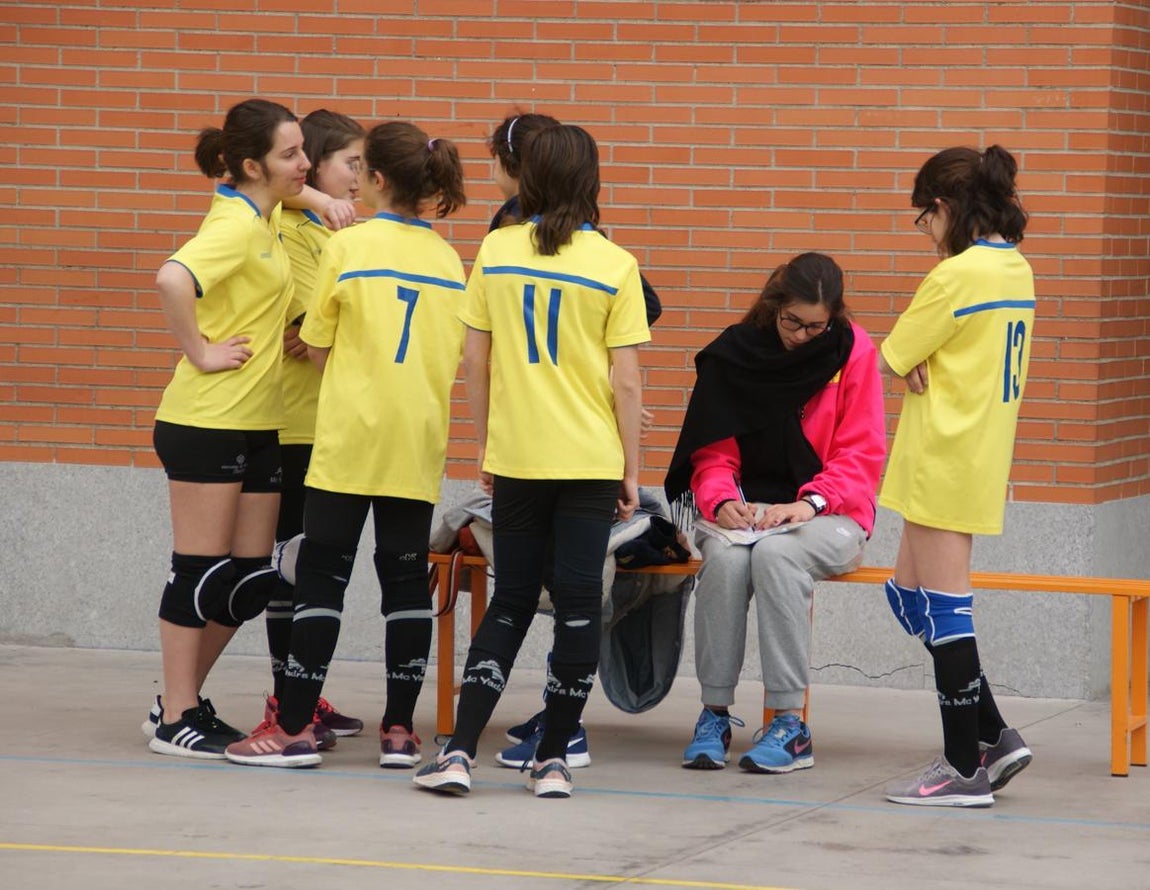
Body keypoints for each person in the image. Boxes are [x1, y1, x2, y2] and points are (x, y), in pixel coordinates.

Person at [413, 124, 648, 798]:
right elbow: (627, 381)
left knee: (511, 599)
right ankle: (552, 762)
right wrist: (631, 471)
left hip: (519, 456)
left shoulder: (496, 249)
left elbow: (476, 359)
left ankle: (459, 753)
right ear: (590, 181)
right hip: (590, 460)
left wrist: (486, 444)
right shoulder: (615, 264)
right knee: (578, 603)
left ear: (531, 179)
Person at [223, 120, 468, 769]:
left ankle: (294, 728)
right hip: (416, 441)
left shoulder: (348, 247)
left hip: (349, 438)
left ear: (376, 178)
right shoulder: (449, 260)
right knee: (405, 584)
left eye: (361, 168)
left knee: (322, 580)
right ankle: (400, 732)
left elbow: (318, 345)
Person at [484, 111, 664, 772]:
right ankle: (560, 727)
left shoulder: (512, 237)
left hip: (539, 446)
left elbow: (482, 355)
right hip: (576, 446)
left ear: (519, 168)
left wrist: (608, 392)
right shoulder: (580, 244)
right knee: (567, 595)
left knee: (547, 595)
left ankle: (561, 727)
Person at [664, 252, 886, 774]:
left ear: (834, 317)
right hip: (747, 511)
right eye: (793, 323)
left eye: (816, 326)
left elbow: (861, 453)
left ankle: (790, 723)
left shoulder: (853, 351)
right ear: (773, 307)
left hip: (829, 512)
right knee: (725, 561)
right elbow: (713, 454)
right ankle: (714, 714)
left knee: (777, 557)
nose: (804, 336)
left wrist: (808, 503)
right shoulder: (735, 354)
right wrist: (722, 501)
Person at [146, 98, 309, 759]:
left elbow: (297, 199)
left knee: (249, 582)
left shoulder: (264, 215)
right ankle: (176, 716)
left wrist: (321, 200)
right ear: (252, 165)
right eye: (291, 154)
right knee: (200, 573)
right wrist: (200, 351)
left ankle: (177, 697)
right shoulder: (236, 226)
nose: (305, 164)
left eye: (304, 151)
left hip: (258, 420)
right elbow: (172, 278)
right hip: (206, 419)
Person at [879, 145, 1035, 808]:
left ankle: (962, 766)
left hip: (944, 455)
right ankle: (994, 735)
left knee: (946, 612)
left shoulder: (954, 276)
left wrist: (909, 357)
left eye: (925, 218)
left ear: (945, 207)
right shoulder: (1016, 267)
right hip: (974, 453)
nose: (926, 232)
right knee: (907, 597)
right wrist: (918, 356)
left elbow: (891, 355)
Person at [260, 109, 367, 745]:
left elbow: (334, 329)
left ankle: (302, 693)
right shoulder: (292, 226)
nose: (359, 177)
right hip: (294, 424)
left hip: (329, 422)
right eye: (350, 163)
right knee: (292, 564)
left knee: (311, 565)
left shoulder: (335, 230)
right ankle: (286, 699)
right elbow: (314, 324)